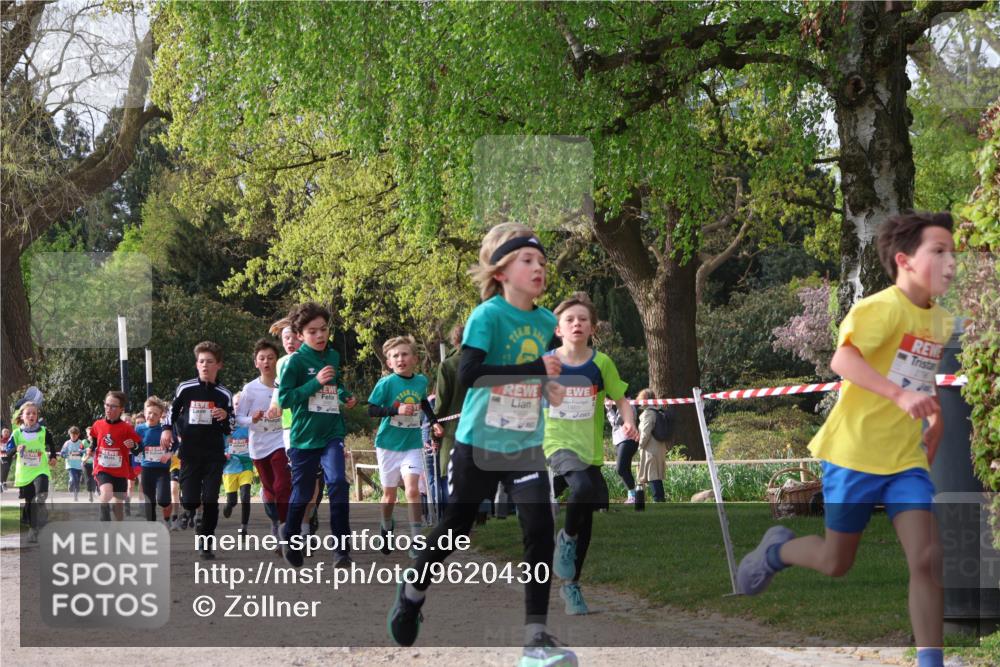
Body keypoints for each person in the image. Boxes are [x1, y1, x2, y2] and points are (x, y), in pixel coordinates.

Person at [737, 212, 957, 667]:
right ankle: (775, 551)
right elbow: (842, 360)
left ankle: (929, 662)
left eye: (952, 252)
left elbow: (917, 374)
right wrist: (897, 396)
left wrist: (934, 416)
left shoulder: (941, 322)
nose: (950, 261)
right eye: (938, 251)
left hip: (904, 460)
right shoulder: (879, 309)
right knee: (837, 562)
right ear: (905, 261)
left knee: (928, 556)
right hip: (853, 454)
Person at [387, 222, 576, 667]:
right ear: (500, 273)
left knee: (539, 529)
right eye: (527, 261)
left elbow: (548, 370)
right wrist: (534, 371)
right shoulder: (487, 317)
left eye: (542, 262)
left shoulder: (547, 321)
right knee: (455, 527)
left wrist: (552, 386)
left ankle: (535, 639)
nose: (538, 268)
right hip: (477, 443)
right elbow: (470, 374)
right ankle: (412, 593)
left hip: (525, 443)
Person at [544, 292, 638, 616]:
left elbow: (622, 399)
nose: (576, 324)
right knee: (581, 490)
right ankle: (565, 540)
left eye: (583, 319)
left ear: (593, 327)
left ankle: (571, 586)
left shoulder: (601, 363)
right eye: (569, 319)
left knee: (588, 514)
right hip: (556, 443)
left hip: (590, 450)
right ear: (559, 329)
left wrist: (628, 423)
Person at [276, 302, 357, 568]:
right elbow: (286, 398)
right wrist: (315, 382)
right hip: (304, 437)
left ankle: (341, 549)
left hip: (332, 432)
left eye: (324, 329)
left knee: (338, 484)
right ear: (300, 335)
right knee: (303, 492)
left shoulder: (332, 356)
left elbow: (336, 385)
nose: (320, 335)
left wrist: (345, 396)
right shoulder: (295, 363)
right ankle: (290, 536)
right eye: (313, 331)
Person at [367, 335, 437, 557]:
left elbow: (423, 401)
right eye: (395, 356)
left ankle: (417, 540)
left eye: (405, 354)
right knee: (389, 497)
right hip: (388, 445)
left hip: (412, 443)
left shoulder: (421, 381)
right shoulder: (386, 384)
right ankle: (386, 526)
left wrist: (434, 422)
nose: (400, 359)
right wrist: (397, 410)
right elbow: (371, 410)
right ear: (389, 362)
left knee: (413, 490)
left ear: (414, 359)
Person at [169, 341, 234, 559]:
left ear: (219, 365)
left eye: (210, 362)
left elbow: (231, 424)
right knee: (189, 499)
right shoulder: (185, 388)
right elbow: (172, 411)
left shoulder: (224, 394)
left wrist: (225, 417)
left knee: (211, 499)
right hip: (190, 452)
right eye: (201, 361)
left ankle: (206, 542)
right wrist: (167, 430)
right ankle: (192, 513)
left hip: (214, 453)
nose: (205, 365)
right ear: (196, 364)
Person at [236, 338, 289, 543]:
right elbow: (239, 418)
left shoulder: (285, 384)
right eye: (262, 358)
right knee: (269, 487)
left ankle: (285, 528)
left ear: (277, 360)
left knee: (282, 484)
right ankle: (275, 519)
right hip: (259, 443)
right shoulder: (250, 389)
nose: (266, 362)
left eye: (271, 358)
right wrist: (252, 418)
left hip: (281, 439)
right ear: (256, 363)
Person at [431, 324, 467, 514]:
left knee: (452, 476)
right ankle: (481, 519)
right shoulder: (489, 361)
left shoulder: (448, 365)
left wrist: (434, 432)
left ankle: (454, 522)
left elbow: (441, 404)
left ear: (454, 341)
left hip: (453, 432)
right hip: (484, 431)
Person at [89, 391, 142, 522]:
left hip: (120, 470)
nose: (109, 409)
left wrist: (133, 446)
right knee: (106, 493)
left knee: (118, 506)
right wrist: (91, 448)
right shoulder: (98, 424)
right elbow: (95, 439)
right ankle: (104, 512)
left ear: (121, 409)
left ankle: (118, 530)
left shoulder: (127, 428)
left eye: (113, 406)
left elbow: (138, 449)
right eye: (107, 405)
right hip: (103, 468)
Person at [13, 402, 58, 542]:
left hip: (41, 469)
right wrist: (16, 448)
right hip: (25, 472)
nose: (32, 415)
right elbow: (8, 451)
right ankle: (33, 528)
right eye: (28, 413)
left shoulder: (43, 431)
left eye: (34, 413)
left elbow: (52, 445)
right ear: (22, 416)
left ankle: (41, 521)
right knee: (29, 502)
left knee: (40, 497)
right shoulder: (17, 433)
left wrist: (53, 457)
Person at [137, 397, 173, 524]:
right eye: (149, 413)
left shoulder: (165, 429)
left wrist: (169, 454)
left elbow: (176, 444)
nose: (151, 416)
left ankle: (167, 518)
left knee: (163, 500)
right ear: (145, 412)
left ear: (160, 416)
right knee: (149, 500)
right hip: (146, 469)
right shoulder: (139, 429)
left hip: (162, 469)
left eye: (155, 414)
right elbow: (136, 448)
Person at [222, 395, 254, 534]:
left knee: (246, 496)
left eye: (241, 403)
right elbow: (219, 443)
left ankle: (244, 527)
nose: (239, 406)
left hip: (246, 465)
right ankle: (228, 506)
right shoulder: (225, 424)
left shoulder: (250, 424)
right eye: (236, 403)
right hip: (230, 467)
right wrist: (223, 453)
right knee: (232, 501)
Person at [635, 388, 667, 504]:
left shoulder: (648, 413)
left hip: (650, 449)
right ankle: (660, 499)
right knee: (656, 475)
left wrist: (640, 445)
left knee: (652, 475)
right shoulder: (658, 411)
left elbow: (645, 433)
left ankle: (657, 499)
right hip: (658, 447)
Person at [606, 398, 640, 505]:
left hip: (627, 440)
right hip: (622, 440)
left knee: (620, 469)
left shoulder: (627, 404)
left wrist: (609, 410)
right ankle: (633, 497)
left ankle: (634, 495)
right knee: (626, 469)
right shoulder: (623, 405)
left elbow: (616, 422)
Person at [59, 426, 88, 501]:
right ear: (70, 435)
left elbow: (82, 452)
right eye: (72, 435)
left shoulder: (80, 443)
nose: (74, 436)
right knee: (74, 479)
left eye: (75, 435)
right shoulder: (67, 443)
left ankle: (76, 495)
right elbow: (62, 453)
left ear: (78, 435)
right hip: (70, 465)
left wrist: (82, 452)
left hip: (78, 465)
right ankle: (72, 491)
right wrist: (65, 455)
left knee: (77, 481)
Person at [82, 426, 97, 502]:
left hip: (95, 463)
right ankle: (90, 494)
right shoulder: (84, 442)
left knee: (94, 479)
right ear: (87, 434)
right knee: (88, 480)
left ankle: (95, 491)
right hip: (86, 463)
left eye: (92, 433)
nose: (90, 434)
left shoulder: (97, 441)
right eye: (89, 433)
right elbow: (79, 450)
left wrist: (92, 452)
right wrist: (86, 450)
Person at [1, 427, 14, 492]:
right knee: (4, 469)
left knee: (6, 470)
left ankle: (3, 483)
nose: (6, 433)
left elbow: (13, 448)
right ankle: (2, 483)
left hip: (9, 457)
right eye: (4, 432)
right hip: (2, 456)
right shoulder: (0, 440)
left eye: (7, 432)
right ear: (2, 433)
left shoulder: (10, 440)